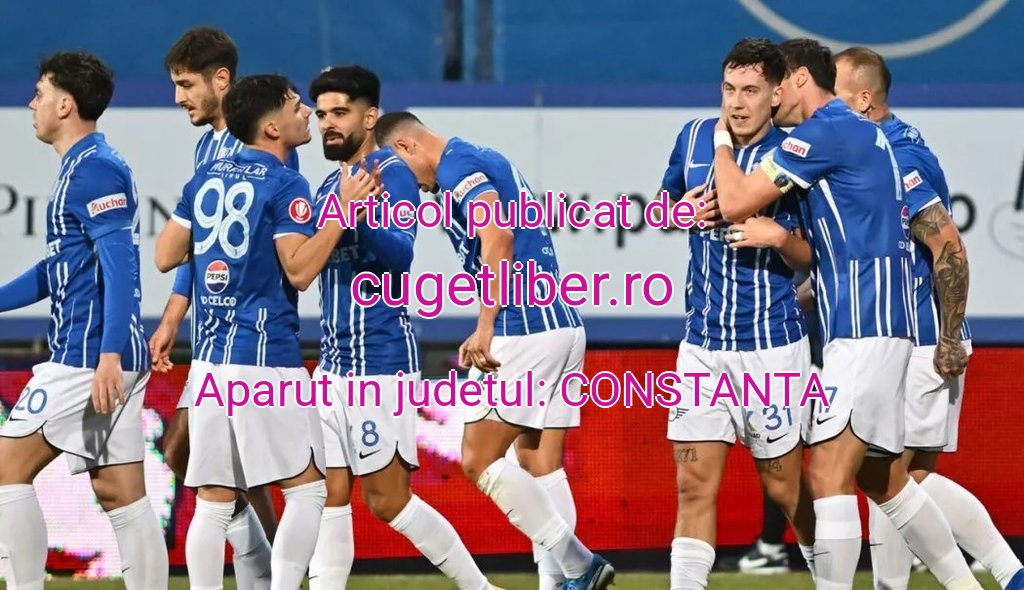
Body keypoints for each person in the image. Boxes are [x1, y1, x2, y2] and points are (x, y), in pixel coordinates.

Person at [710, 37, 981, 590]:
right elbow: (827, 250)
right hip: (878, 326)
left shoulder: (826, 132)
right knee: (885, 481)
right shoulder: (863, 134)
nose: (769, 98)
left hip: (864, 327)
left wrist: (721, 139)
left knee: (827, 473)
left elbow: (734, 201)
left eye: (775, 87)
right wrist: (782, 239)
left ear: (799, 80)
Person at [375, 112, 613, 590]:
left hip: (522, 327)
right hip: (561, 324)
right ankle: (560, 582)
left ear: (406, 147)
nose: (413, 189)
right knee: (540, 464)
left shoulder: (456, 168)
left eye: (403, 173)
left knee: (478, 459)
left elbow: (498, 235)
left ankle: (580, 566)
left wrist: (485, 325)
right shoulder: (482, 156)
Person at [155, 73, 376, 589]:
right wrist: (342, 212)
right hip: (265, 359)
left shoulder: (204, 178)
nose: (308, 114)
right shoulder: (285, 183)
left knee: (213, 500)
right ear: (272, 127)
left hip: (209, 363)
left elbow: (165, 255)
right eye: (297, 106)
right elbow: (299, 270)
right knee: (309, 490)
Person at [304, 65, 501, 590]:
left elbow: (400, 254)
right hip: (332, 362)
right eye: (321, 114)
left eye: (340, 112)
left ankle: (481, 588)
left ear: (370, 117)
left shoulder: (391, 172)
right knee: (329, 495)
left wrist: (356, 215)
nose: (328, 123)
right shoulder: (328, 184)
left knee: (388, 501)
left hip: (379, 361)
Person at [834, 46, 1024, 590]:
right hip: (905, 337)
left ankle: (1006, 571)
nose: (824, 107)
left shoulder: (899, 156)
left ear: (863, 99)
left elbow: (948, 245)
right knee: (898, 480)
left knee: (888, 476)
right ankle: (1005, 574)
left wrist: (946, 338)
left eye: (835, 94)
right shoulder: (877, 147)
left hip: (919, 339)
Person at [0, 51, 168, 589]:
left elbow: (121, 268)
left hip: (87, 355)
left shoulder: (94, 169)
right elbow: (58, 270)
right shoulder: (82, 166)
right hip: (102, 353)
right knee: (120, 491)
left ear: (65, 105)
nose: (32, 103)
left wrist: (109, 354)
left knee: (7, 469)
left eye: (40, 93)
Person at [657, 38, 816, 590]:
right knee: (693, 487)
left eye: (750, 90)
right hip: (701, 347)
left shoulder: (796, 152)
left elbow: (813, 256)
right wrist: (677, 212)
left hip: (771, 348)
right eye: (729, 89)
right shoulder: (693, 136)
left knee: (784, 489)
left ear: (775, 94)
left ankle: (832, 575)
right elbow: (662, 207)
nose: (737, 102)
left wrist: (779, 239)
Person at [151, 27, 281, 587]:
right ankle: (269, 573)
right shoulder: (207, 148)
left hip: (250, 335)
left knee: (233, 470)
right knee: (203, 463)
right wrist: (173, 316)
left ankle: (281, 573)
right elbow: (199, 245)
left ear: (221, 79)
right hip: (211, 335)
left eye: (186, 85)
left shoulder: (262, 144)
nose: (179, 97)